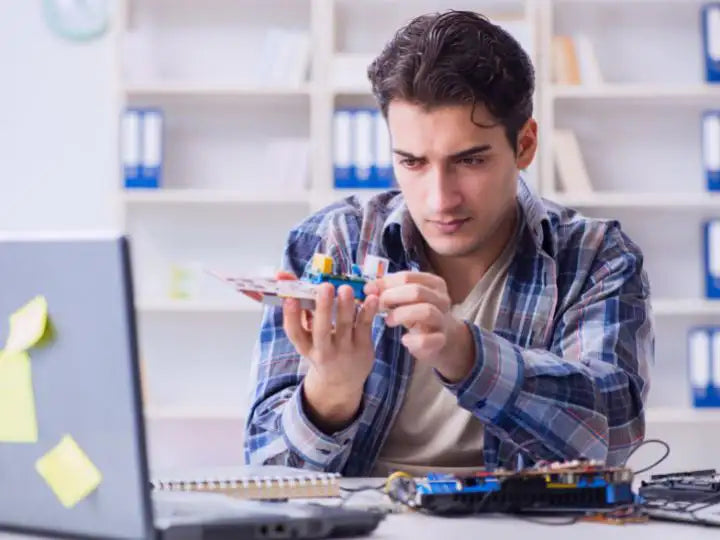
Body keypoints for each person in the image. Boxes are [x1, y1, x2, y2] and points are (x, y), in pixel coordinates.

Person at [244, 10, 653, 477]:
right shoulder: (331, 240)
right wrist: (331, 392)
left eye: (470, 160)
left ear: (525, 145)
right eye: (412, 163)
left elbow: (613, 437)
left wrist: (466, 354)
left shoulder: (595, 256)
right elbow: (268, 471)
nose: (440, 198)